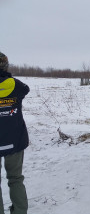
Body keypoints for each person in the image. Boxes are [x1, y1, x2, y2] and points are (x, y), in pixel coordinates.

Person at [0, 52, 29, 214]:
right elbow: (26, 89)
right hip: (14, 140)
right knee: (16, 179)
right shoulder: (16, 85)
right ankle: (19, 211)